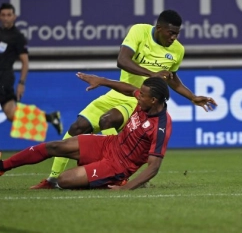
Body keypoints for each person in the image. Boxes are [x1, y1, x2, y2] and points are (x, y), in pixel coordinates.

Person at [31, 9, 214, 189]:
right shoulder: (139, 31)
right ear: (159, 28)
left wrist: (192, 97)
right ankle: (52, 179)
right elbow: (122, 60)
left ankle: (115, 172)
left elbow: (171, 78)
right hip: (119, 92)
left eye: (177, 33)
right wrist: (152, 74)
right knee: (77, 127)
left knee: (107, 120)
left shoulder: (177, 50)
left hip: (139, 101)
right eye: (171, 33)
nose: (174, 37)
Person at [0, 73, 217, 190]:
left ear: (154, 100)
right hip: (109, 144)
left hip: (117, 166)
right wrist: (101, 81)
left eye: (142, 95)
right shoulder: (145, 100)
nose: (137, 96)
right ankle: (3, 167)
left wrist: (127, 188)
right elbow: (126, 87)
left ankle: (112, 181)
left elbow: (154, 167)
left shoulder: (161, 125)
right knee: (55, 146)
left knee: (64, 181)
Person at [0, 3, 63, 135]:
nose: (6, 18)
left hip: (4, 80)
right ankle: (49, 118)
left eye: (8, 15)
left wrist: (21, 83)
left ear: (14, 17)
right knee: (11, 114)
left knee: (11, 113)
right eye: (3, 15)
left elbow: (25, 62)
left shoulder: (17, 37)